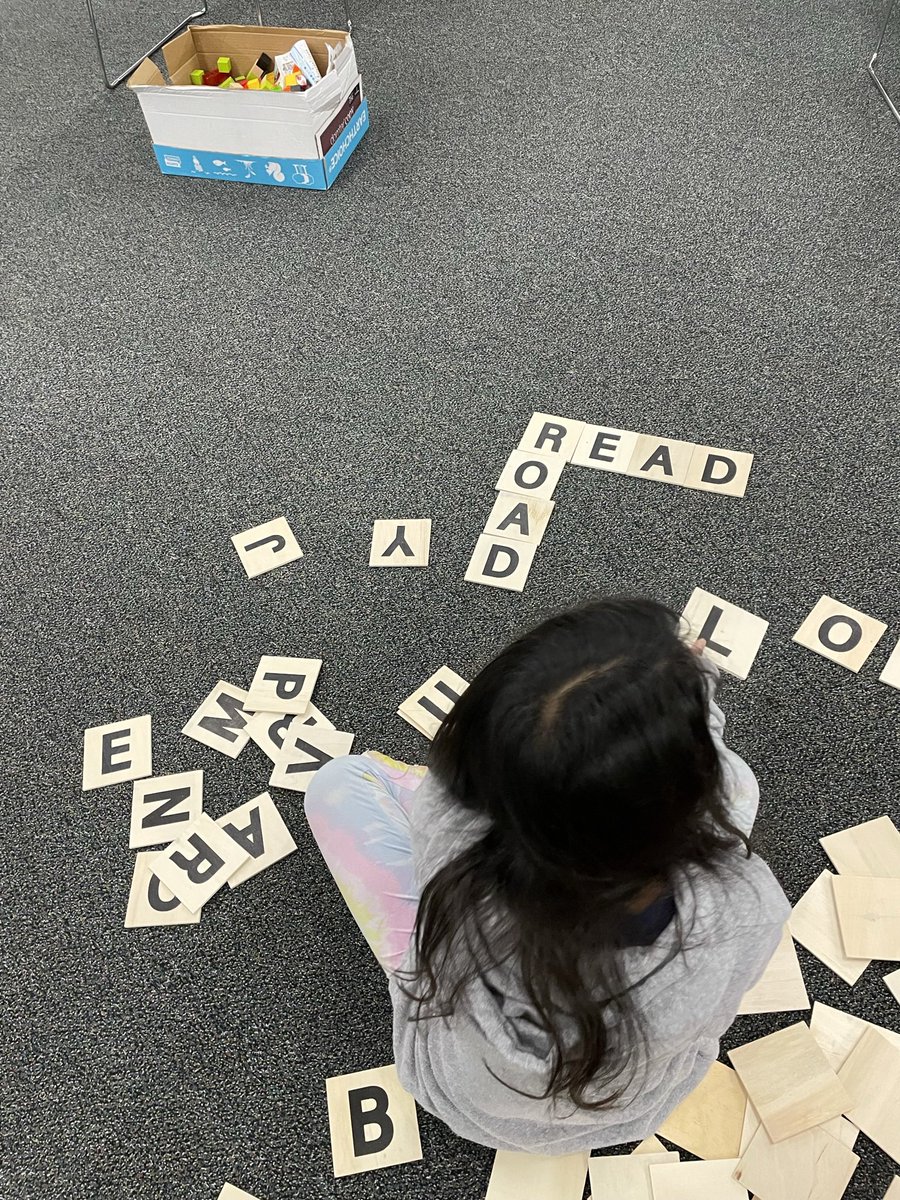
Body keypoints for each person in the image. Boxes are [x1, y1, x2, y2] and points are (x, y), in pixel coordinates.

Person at [304, 596, 790, 1154]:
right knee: (737, 786)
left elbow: (451, 793)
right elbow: (703, 770)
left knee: (340, 782)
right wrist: (690, 678)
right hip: (631, 1109)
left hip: (473, 1101)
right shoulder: (747, 910)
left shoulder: (453, 842)